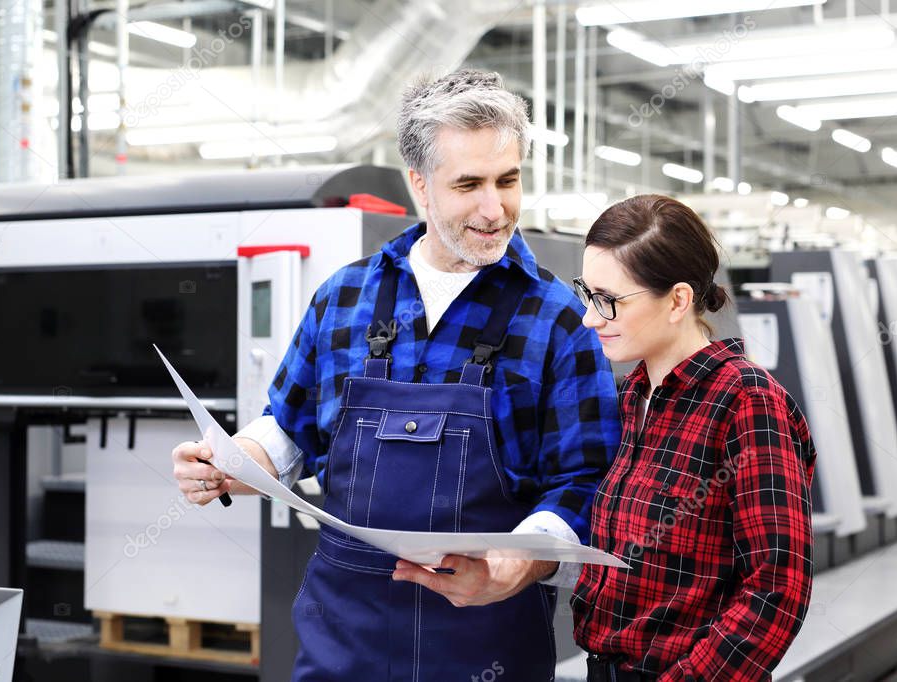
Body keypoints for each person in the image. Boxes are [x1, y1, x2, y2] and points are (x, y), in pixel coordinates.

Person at [171, 69, 621, 681]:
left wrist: (519, 562)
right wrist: (228, 461)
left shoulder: (558, 319)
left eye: (507, 181)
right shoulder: (346, 297)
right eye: (468, 185)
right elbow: (291, 426)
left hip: (484, 646)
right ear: (420, 185)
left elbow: (587, 480)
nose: (494, 209)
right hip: (343, 642)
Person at [570, 194, 816, 681]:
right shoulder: (634, 396)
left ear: (679, 300)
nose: (590, 318)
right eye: (586, 294)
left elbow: (777, 589)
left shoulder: (747, 402)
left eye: (609, 301)